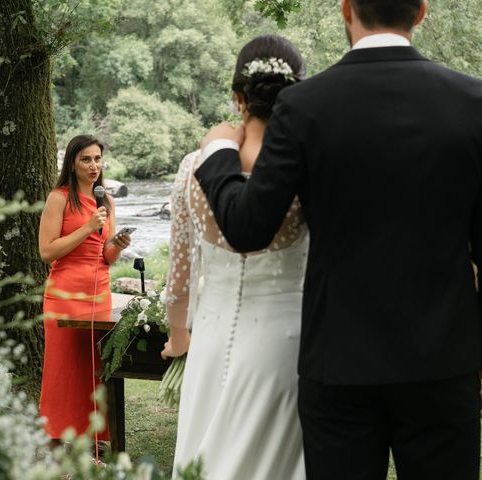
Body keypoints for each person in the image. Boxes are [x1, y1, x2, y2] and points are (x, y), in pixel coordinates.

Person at [195, 1, 482, 479]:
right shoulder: (473, 102)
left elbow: (247, 228)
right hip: (444, 362)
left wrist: (220, 152)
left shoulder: (304, 105)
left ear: (346, 9)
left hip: (339, 364)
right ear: (422, 12)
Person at [161, 35, 308, 479]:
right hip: (285, 343)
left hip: (210, 337)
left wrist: (178, 337)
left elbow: (181, 269)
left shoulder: (195, 166)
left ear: (238, 97)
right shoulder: (304, 165)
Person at [38, 134, 131, 444]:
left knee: (95, 366)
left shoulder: (107, 201)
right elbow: (47, 251)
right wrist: (88, 227)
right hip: (65, 292)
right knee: (64, 367)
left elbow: (105, 255)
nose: (94, 166)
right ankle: (58, 434)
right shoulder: (59, 197)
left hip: (97, 291)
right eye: (86, 159)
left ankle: (94, 435)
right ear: (73, 163)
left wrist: (117, 245)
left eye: (97, 159)